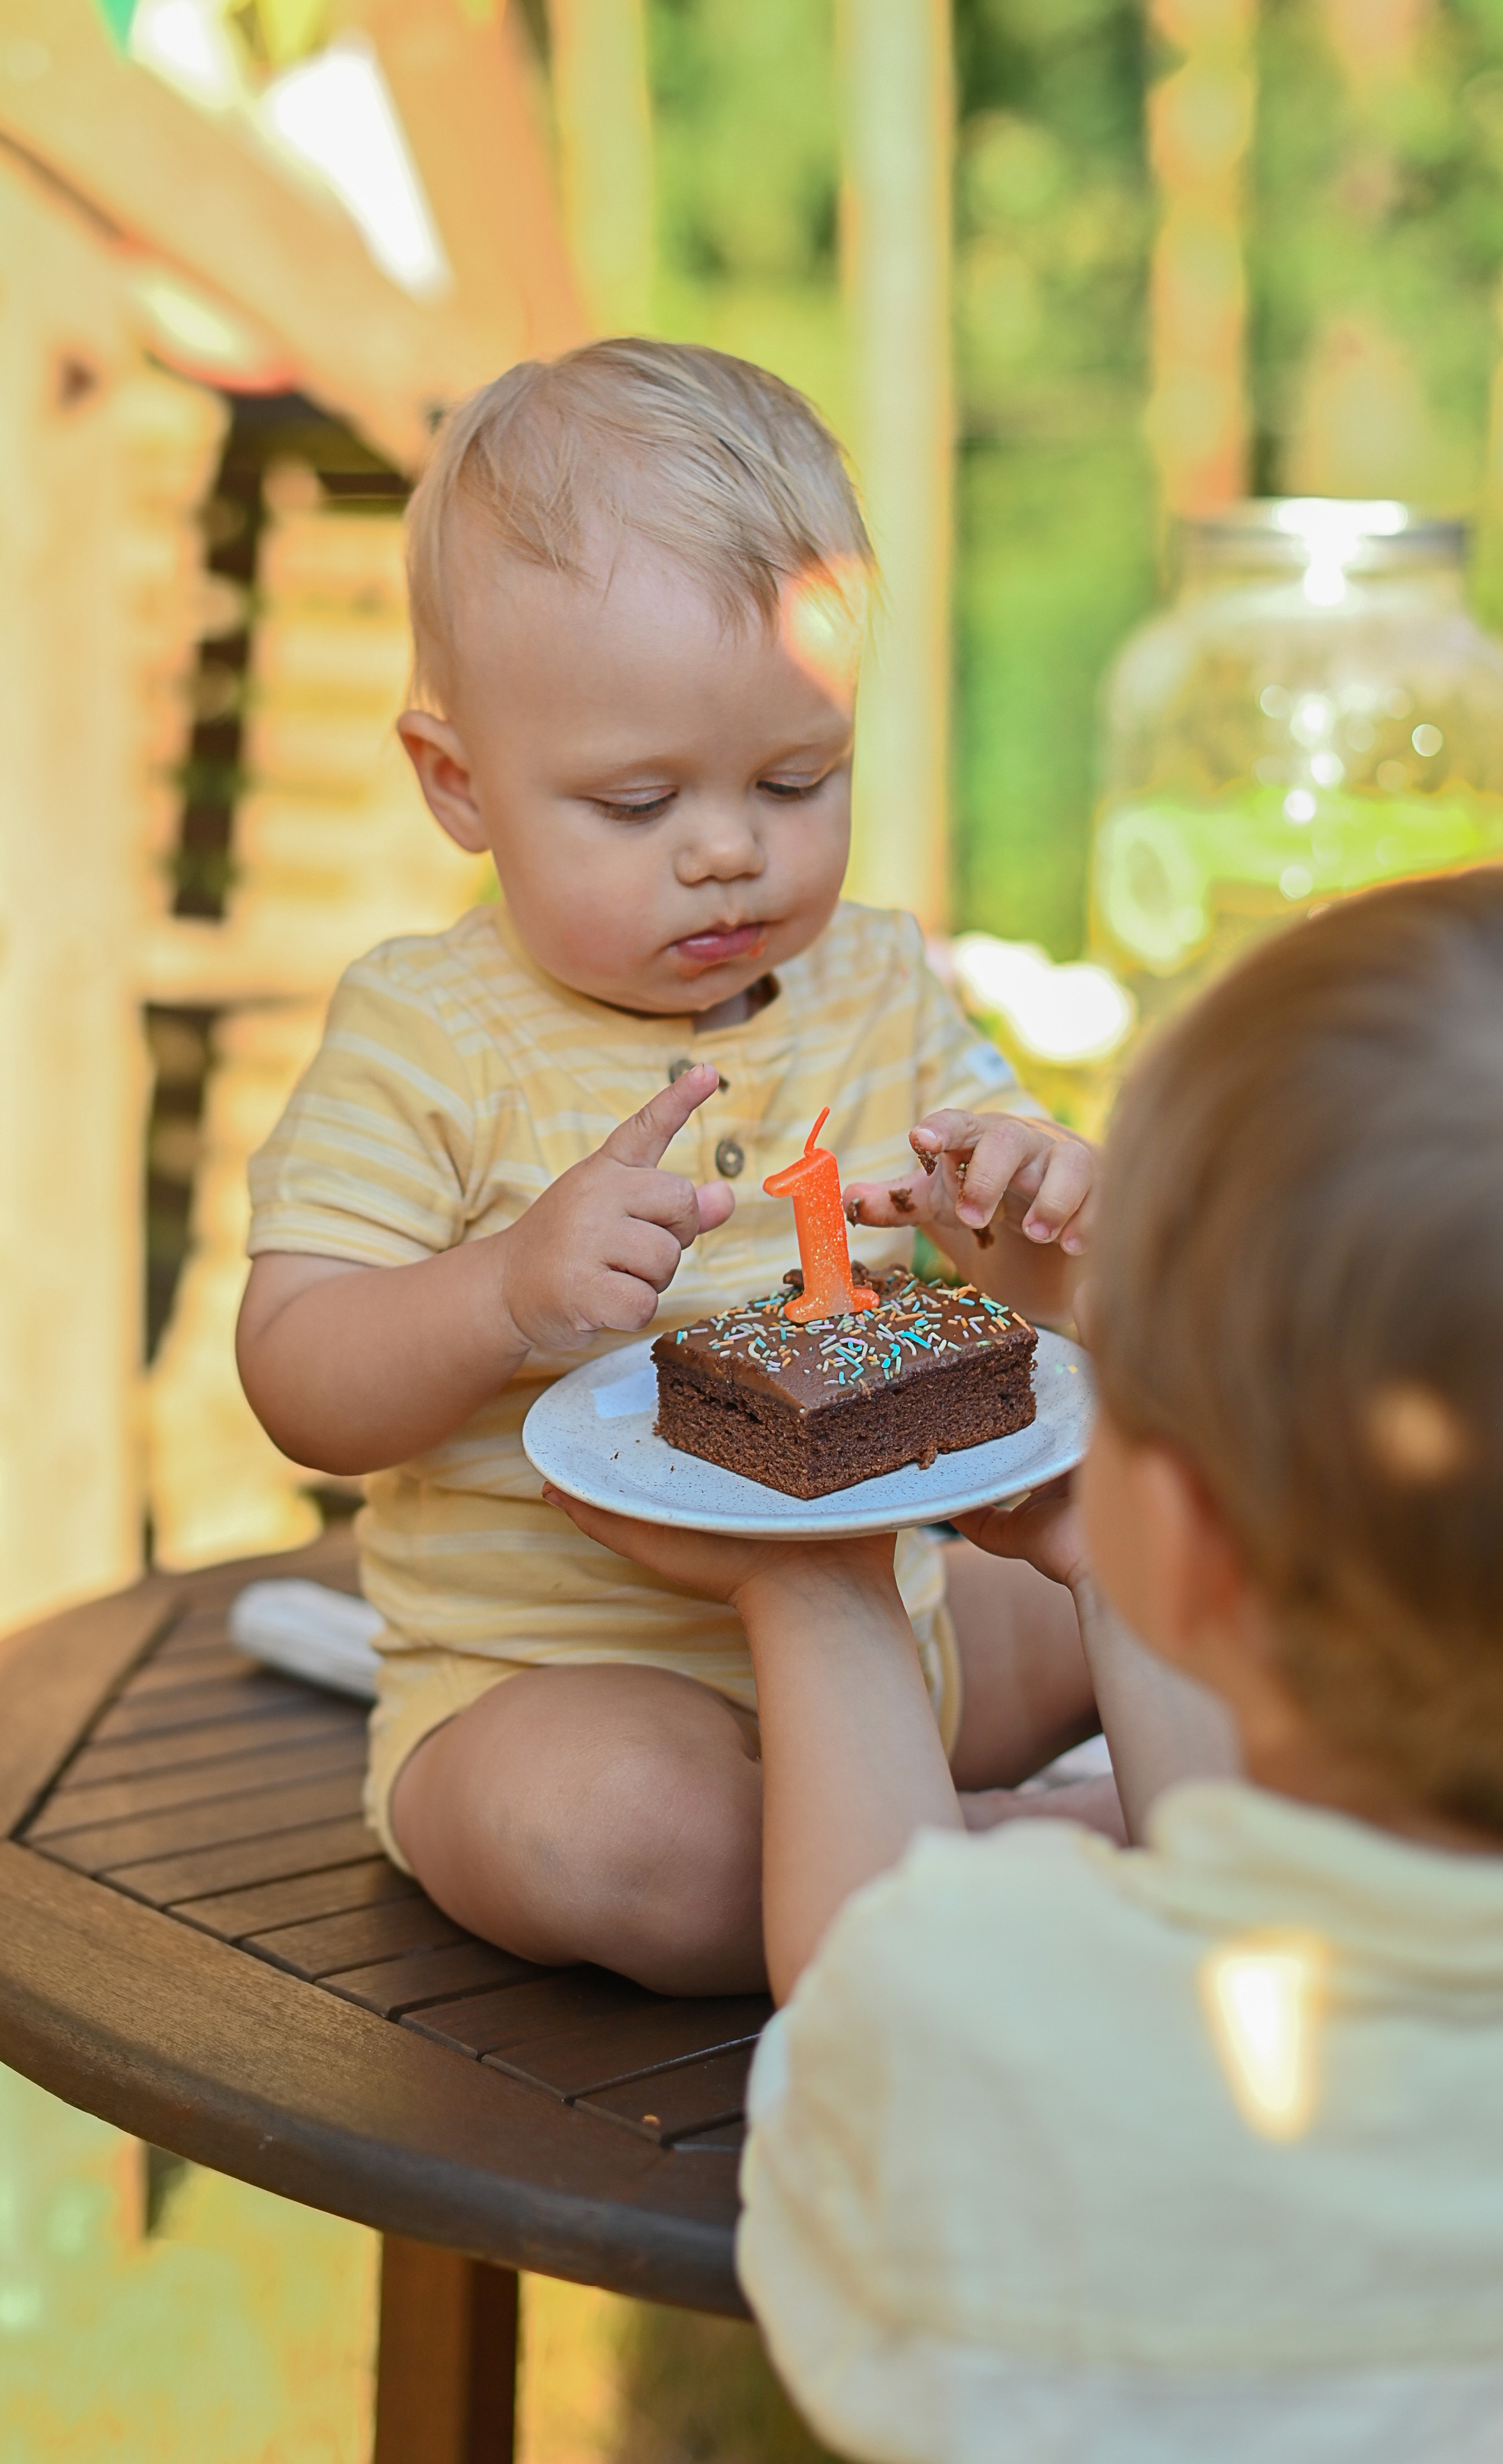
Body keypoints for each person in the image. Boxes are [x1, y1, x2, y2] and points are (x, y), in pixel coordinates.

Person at [549, 869, 1503, 2459]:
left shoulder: (1002, 2033)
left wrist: (814, 1587)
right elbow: (1244, 1872)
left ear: (1182, 1532)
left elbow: (872, 1985)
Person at [235, 338, 1099, 1995]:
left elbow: (1026, 1258)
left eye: (798, 780)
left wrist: (1027, 1191)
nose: (728, 847)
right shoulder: (427, 1035)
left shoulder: (877, 982)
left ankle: (1007, 1799)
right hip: (553, 1679)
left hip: (896, 1626)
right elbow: (297, 1374)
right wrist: (498, 1294)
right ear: (458, 785)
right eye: (637, 802)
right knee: (619, 1835)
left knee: (1168, 1562)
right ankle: (1003, 1851)